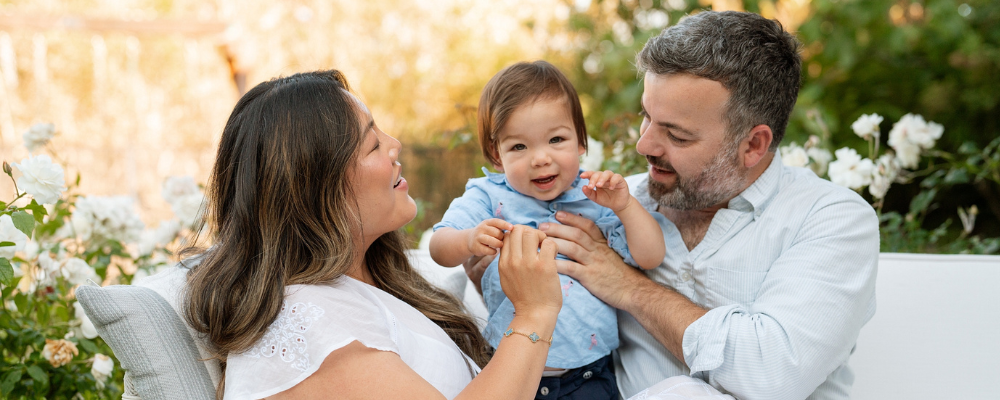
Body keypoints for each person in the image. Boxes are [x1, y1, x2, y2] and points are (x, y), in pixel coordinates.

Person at [468, 11, 879, 400]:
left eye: (677, 135)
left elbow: (772, 372)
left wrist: (627, 286)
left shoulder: (830, 219)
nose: (643, 145)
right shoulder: (609, 205)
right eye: (646, 117)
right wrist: (488, 276)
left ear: (753, 145)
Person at [183, 70, 567, 400]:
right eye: (372, 143)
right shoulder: (303, 321)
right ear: (318, 186)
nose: (395, 145)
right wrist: (534, 312)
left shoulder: (356, 290)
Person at [430, 61, 667, 399]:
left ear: (581, 143)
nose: (540, 158)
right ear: (498, 156)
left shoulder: (595, 196)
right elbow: (439, 246)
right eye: (519, 147)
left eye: (556, 139)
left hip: (588, 373)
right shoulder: (487, 197)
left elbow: (651, 255)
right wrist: (468, 239)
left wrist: (625, 207)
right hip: (514, 368)